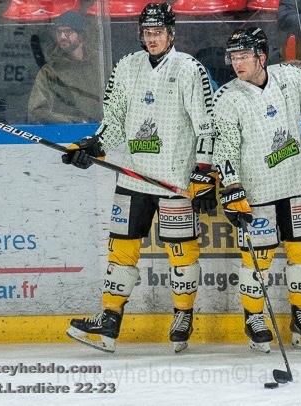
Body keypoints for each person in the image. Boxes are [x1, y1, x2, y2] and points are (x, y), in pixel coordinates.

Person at [62, 2, 216, 353]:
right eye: (147, 33)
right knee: (122, 250)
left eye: (158, 32)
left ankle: (182, 315)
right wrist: (93, 146)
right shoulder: (126, 67)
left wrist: (204, 172)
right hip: (133, 178)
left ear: (171, 33)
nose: (152, 39)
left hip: (175, 180)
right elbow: (113, 120)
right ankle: (110, 321)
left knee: (181, 251)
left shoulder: (189, 69)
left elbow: (207, 126)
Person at [212, 27, 301, 352]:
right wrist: (232, 188)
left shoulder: (289, 78)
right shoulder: (226, 98)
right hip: (256, 192)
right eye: (234, 57)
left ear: (262, 57)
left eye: (244, 56)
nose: (237, 63)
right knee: (258, 260)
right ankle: (254, 317)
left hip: (298, 181)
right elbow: (224, 149)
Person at [27, 11, 102, 124]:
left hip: (101, 132)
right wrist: (74, 121)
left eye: (68, 32)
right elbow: (37, 111)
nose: (62, 36)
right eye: (59, 32)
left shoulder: (99, 64)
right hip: (65, 135)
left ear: (81, 35)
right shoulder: (50, 71)